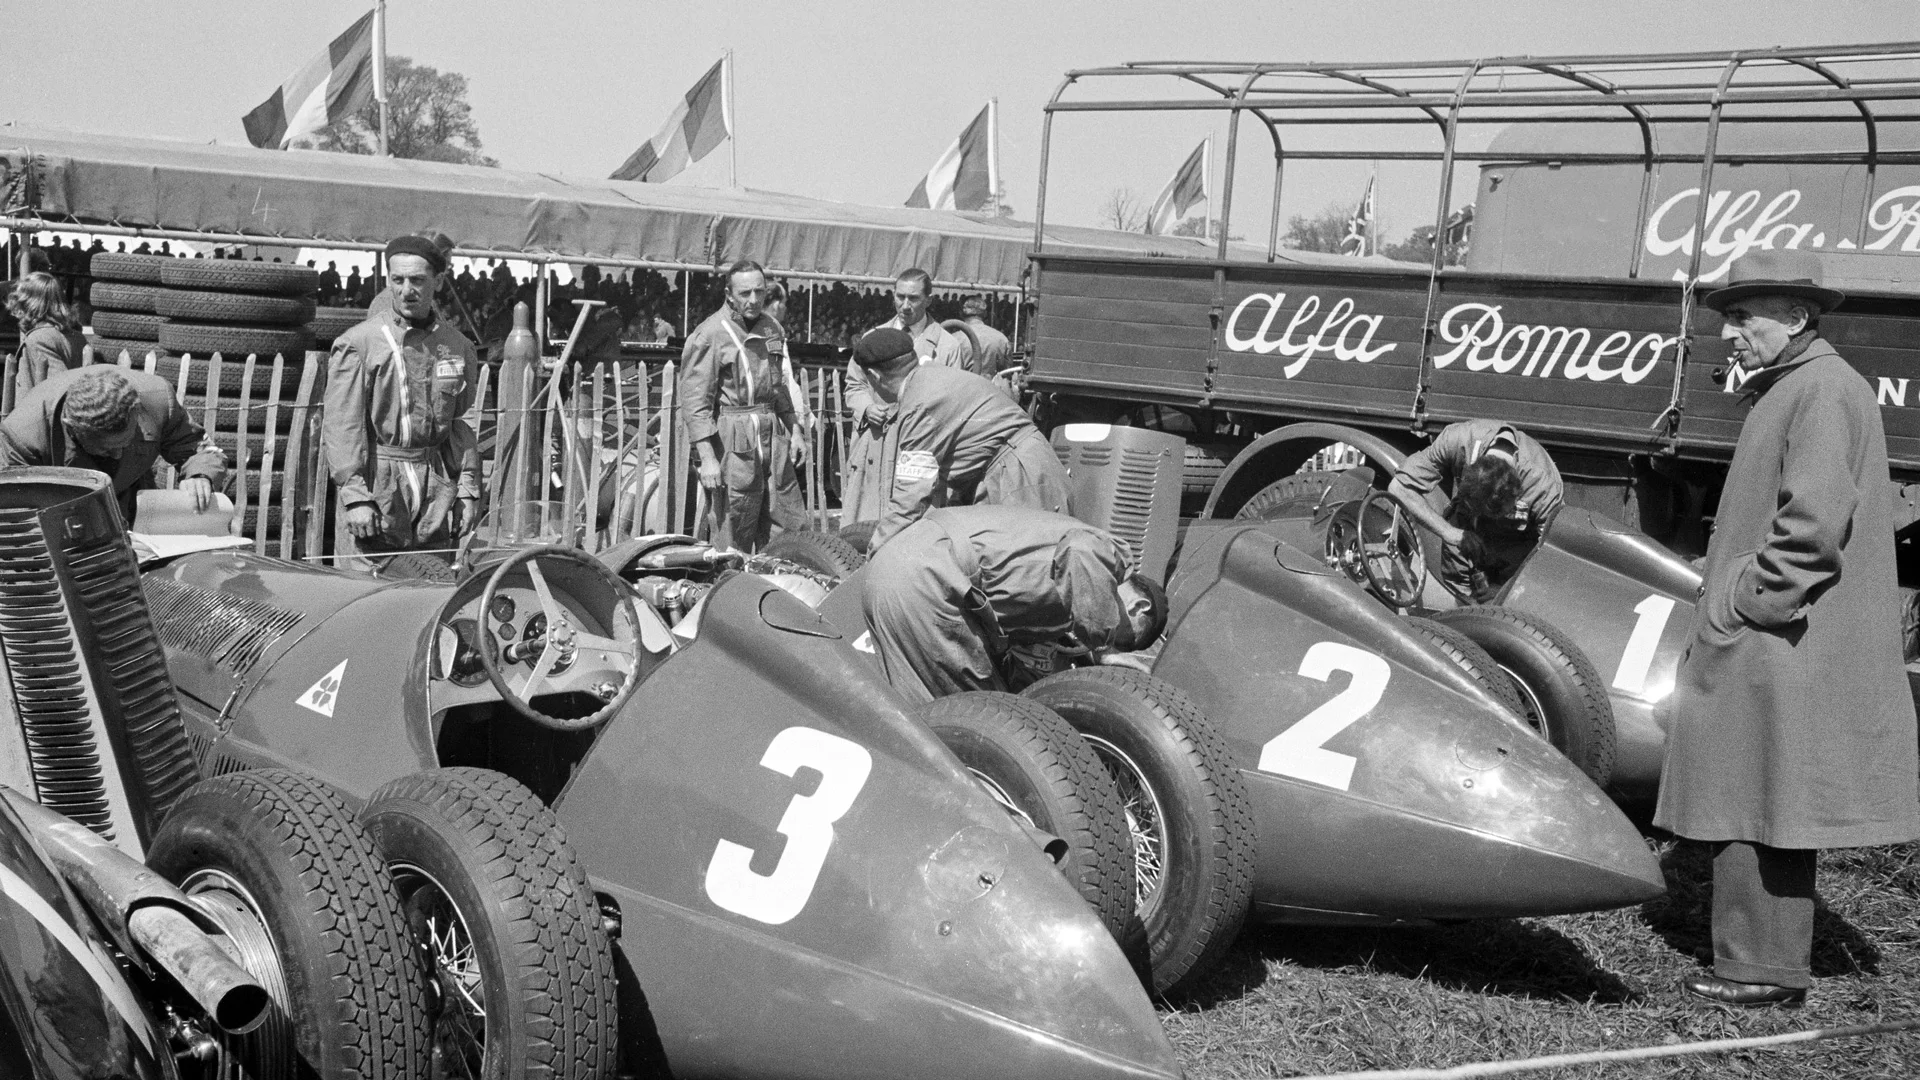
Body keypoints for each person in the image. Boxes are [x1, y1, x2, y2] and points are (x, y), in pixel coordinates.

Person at [1653, 250, 1920, 1008]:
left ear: (1797, 317)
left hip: (1781, 635)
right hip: (1776, 634)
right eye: (1727, 318)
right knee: (1759, 792)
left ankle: (1762, 970)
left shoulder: (1822, 390)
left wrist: (1747, 600)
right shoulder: (1803, 386)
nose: (1729, 333)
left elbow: (1810, 529)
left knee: (1762, 794)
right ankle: (1756, 961)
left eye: (1743, 316)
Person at [863, 505, 1167, 703]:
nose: (1114, 639)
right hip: (930, 580)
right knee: (983, 722)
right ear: (1140, 606)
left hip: (894, 568)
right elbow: (1079, 551)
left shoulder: (1077, 583)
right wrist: (1102, 644)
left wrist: (1095, 654)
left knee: (919, 718)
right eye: (1123, 637)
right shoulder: (1110, 555)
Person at [323, 234, 482, 571]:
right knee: (370, 595)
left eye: (417, 280)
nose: (406, 290)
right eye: (398, 280)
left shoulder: (456, 346)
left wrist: (467, 489)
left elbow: (458, 426)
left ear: (438, 282)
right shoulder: (359, 344)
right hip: (379, 489)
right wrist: (355, 497)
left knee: (432, 588)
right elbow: (342, 427)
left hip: (436, 492)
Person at [853, 328, 1073, 551]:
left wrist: (873, 555)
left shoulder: (920, 404)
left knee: (1023, 574)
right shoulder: (936, 378)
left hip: (1020, 482)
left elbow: (910, 498)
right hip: (1027, 470)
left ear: (874, 376)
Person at [0, 365, 227, 526]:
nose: (117, 455)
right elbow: (20, 517)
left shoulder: (157, 401)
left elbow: (197, 447)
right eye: (106, 449)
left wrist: (200, 475)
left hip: (131, 508)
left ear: (137, 413)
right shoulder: (23, 436)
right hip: (60, 517)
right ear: (72, 427)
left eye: (124, 443)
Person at [678, 259, 794, 552]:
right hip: (733, 438)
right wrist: (707, 458)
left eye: (759, 291)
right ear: (729, 294)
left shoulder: (772, 328)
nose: (754, 300)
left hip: (772, 436)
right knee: (734, 527)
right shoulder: (710, 334)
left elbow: (779, 385)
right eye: (745, 294)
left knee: (786, 522)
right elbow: (696, 403)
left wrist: (796, 430)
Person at [841, 268, 974, 523]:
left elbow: (953, 403)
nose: (905, 305)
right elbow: (854, 386)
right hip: (875, 446)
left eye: (913, 298)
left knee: (911, 523)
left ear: (928, 300)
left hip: (919, 450)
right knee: (864, 524)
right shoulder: (873, 339)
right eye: (899, 297)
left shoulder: (947, 346)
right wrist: (868, 408)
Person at [1387, 419, 1563, 604]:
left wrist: (1510, 588)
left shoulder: (1542, 485)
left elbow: (1553, 558)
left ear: (1517, 493)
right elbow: (1399, 488)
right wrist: (1449, 532)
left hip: (1514, 560)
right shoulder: (1457, 441)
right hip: (1464, 551)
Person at [762, 281, 812, 530]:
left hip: (782, 419)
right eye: (783, 303)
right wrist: (796, 423)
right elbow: (781, 381)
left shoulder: (775, 333)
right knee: (781, 488)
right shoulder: (770, 334)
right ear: (776, 303)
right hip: (776, 422)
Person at [5, 272, 87, 399]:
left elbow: (59, 389)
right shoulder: (77, 337)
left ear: (30, 303)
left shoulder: (39, 339)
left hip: (41, 416)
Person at [961, 294, 1013, 376]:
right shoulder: (1001, 339)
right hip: (991, 387)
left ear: (962, 313)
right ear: (985, 314)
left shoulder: (953, 338)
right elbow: (1007, 373)